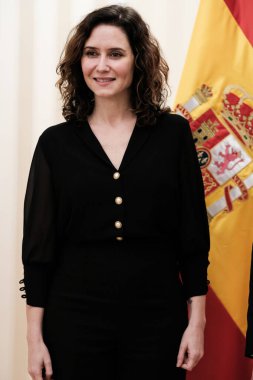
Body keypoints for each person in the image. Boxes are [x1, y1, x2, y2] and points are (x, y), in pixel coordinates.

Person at [19, 5, 210, 380]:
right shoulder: (54, 144)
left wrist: (198, 321)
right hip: (73, 319)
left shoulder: (173, 135)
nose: (101, 66)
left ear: (138, 62)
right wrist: (34, 339)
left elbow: (193, 235)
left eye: (115, 54)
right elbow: (38, 249)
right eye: (92, 53)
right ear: (79, 62)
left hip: (157, 318)